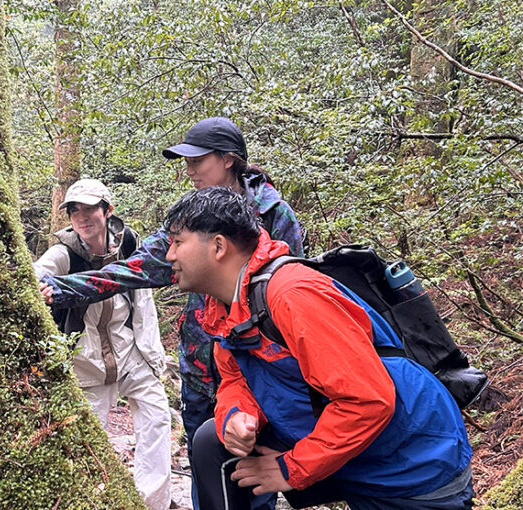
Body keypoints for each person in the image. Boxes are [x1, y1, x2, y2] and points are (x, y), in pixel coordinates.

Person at [39, 117, 303, 509]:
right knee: (205, 467)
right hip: (200, 364)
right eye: (186, 161)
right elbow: (136, 269)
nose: (189, 170)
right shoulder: (192, 214)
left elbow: (289, 294)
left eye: (198, 160)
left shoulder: (274, 215)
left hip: (256, 367)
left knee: (252, 471)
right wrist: (59, 289)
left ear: (229, 159)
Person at [163, 186, 473, 510]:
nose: (170, 255)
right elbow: (236, 379)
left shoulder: (292, 294)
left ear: (218, 246)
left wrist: (292, 468)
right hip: (348, 454)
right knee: (214, 441)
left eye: (178, 242)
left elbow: (369, 400)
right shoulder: (226, 309)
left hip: (411, 464)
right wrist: (237, 416)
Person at [33, 179, 172, 510]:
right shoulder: (64, 254)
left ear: (108, 211)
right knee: (89, 442)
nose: (82, 217)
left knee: (157, 420)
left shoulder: (129, 243)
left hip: (131, 354)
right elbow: (33, 277)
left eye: (89, 208)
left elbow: (144, 300)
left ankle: (151, 503)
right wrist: (42, 290)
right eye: (74, 211)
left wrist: (153, 356)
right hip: (87, 363)